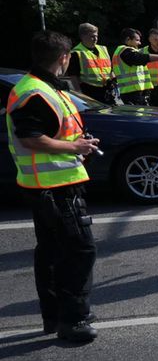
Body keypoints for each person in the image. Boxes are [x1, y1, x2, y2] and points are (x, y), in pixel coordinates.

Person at [7, 31, 102, 342]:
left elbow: (51, 131)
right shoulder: (35, 92)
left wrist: (79, 143)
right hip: (55, 186)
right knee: (78, 251)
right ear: (64, 58)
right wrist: (75, 149)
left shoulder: (40, 86)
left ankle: (55, 316)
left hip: (46, 184)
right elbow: (30, 137)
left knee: (51, 251)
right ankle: (73, 319)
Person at [112, 28, 158, 106]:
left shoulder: (124, 51)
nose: (139, 43)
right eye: (137, 40)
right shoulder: (126, 52)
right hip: (132, 93)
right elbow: (141, 58)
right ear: (128, 39)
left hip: (155, 93)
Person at [67, 23, 114, 104]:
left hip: (107, 89)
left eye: (96, 36)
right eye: (92, 36)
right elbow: (73, 76)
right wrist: (79, 93)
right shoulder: (76, 53)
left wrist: (112, 79)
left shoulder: (103, 49)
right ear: (83, 37)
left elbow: (110, 68)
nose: (95, 39)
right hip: (89, 91)